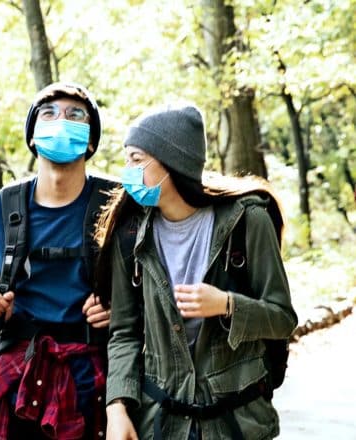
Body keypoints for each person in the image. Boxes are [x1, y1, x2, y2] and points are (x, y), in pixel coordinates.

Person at [99, 103, 297, 439]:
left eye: (136, 159)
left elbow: (282, 319)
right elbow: (124, 332)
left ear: (172, 162)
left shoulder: (247, 221)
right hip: (162, 424)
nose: (127, 171)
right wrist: (116, 407)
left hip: (237, 423)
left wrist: (228, 305)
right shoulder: (130, 234)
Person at [0, 82, 115, 440]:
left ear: (90, 141)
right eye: (49, 113)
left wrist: (119, 307)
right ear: (33, 137)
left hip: (97, 370)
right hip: (17, 373)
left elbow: (152, 281)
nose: (62, 120)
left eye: (76, 115)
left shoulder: (117, 205)